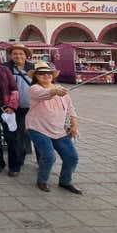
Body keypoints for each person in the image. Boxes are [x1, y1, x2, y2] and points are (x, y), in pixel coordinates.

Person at [27, 61, 81, 194]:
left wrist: (74, 125)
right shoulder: (34, 88)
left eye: (48, 73)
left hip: (59, 130)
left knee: (72, 157)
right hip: (37, 128)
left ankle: (65, 181)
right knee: (49, 156)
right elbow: (42, 94)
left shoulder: (61, 89)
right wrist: (54, 91)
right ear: (36, 76)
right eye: (41, 74)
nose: (46, 76)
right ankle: (42, 180)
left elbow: (70, 108)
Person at [3, 44, 35, 162]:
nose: (18, 56)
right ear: (11, 55)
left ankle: (42, 160)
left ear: (26, 55)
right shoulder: (5, 67)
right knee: (17, 134)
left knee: (35, 133)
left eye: (21, 53)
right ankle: (18, 160)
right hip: (12, 107)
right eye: (15, 53)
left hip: (31, 106)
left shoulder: (33, 67)